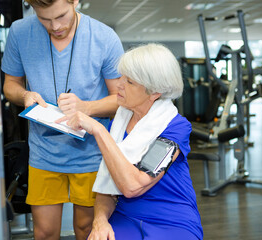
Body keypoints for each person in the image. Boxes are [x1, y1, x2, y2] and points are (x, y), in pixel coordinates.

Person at [1, 0, 124, 239]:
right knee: (45, 232)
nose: (55, 26)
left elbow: (121, 100)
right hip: (43, 152)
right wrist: (25, 95)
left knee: (86, 228)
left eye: (61, 16)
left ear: (75, 1)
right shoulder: (19, 32)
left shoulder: (104, 37)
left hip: (92, 153)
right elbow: (10, 85)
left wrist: (86, 107)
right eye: (44, 19)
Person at [58, 44, 203, 240]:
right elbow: (107, 188)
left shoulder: (174, 128)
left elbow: (133, 186)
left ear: (155, 92)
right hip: (127, 216)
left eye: (130, 82)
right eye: (122, 77)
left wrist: (99, 130)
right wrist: (100, 221)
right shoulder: (118, 124)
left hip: (171, 219)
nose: (119, 85)